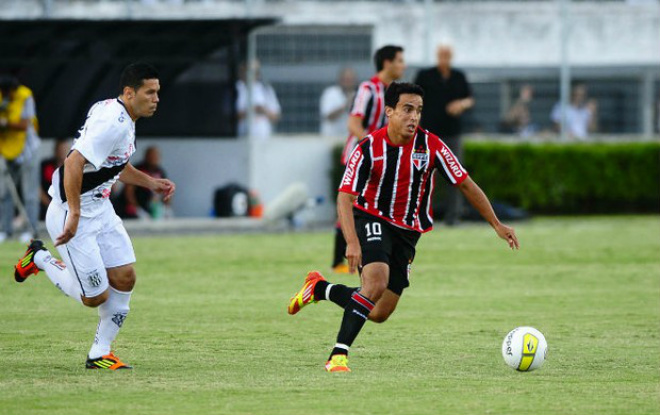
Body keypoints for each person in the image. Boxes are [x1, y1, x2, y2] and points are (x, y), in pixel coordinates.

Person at [288, 82, 519, 372]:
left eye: (419, 111)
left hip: (408, 232)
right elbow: (345, 197)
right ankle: (338, 355)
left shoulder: (431, 145)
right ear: (390, 112)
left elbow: (465, 184)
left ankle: (320, 289)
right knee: (375, 282)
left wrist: (496, 224)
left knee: (379, 311)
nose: (414, 117)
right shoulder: (369, 148)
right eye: (407, 109)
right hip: (372, 217)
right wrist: (352, 242)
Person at [13, 63, 176, 370]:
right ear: (129, 93)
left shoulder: (121, 115)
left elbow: (114, 164)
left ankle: (100, 353)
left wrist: (151, 182)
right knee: (95, 297)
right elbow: (73, 162)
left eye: (158, 92)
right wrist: (74, 213)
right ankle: (38, 259)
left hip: (100, 209)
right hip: (72, 214)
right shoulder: (113, 123)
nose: (156, 98)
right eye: (150, 92)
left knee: (125, 277)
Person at [332, 45, 406, 274]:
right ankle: (338, 260)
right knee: (351, 204)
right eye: (400, 61)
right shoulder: (368, 88)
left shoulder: (396, 92)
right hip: (359, 157)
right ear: (387, 63)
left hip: (380, 161)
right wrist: (371, 146)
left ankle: (371, 258)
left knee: (373, 207)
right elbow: (353, 124)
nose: (403, 65)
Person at [414, 45, 474, 226]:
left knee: (456, 175)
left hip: (453, 132)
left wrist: (461, 104)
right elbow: (414, 97)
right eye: (442, 55)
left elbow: (470, 98)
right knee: (423, 174)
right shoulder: (425, 76)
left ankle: (453, 216)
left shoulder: (459, 76)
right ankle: (421, 215)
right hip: (428, 134)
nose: (444, 58)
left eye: (447, 55)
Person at [0, 75, 41, 243]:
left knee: (29, 193)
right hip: (7, 151)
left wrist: (4, 123)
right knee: (5, 193)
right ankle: (5, 230)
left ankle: (31, 230)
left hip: (28, 151)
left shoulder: (25, 96)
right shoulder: (2, 97)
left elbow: (25, 125)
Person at [121, 145, 172, 219]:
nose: (154, 158)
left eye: (156, 156)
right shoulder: (138, 168)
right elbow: (129, 191)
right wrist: (137, 210)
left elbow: (167, 191)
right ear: (146, 156)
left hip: (151, 208)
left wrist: (166, 208)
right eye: (151, 155)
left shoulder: (160, 171)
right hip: (134, 209)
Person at [236, 60, 281, 139]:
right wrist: (252, 110)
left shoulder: (266, 89)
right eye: (246, 71)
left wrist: (263, 111)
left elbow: (275, 116)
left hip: (263, 138)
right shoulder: (237, 89)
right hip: (243, 138)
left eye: (254, 72)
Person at [319, 68, 357, 137]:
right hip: (331, 137)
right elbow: (328, 116)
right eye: (346, 79)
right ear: (340, 80)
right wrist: (346, 105)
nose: (348, 82)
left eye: (351, 80)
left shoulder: (358, 95)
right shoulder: (331, 93)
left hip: (349, 138)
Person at [40, 137, 69, 220]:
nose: (62, 152)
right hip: (46, 204)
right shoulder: (46, 165)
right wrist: (49, 204)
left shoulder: (72, 168)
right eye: (60, 149)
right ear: (55, 150)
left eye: (64, 149)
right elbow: (37, 187)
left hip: (66, 207)